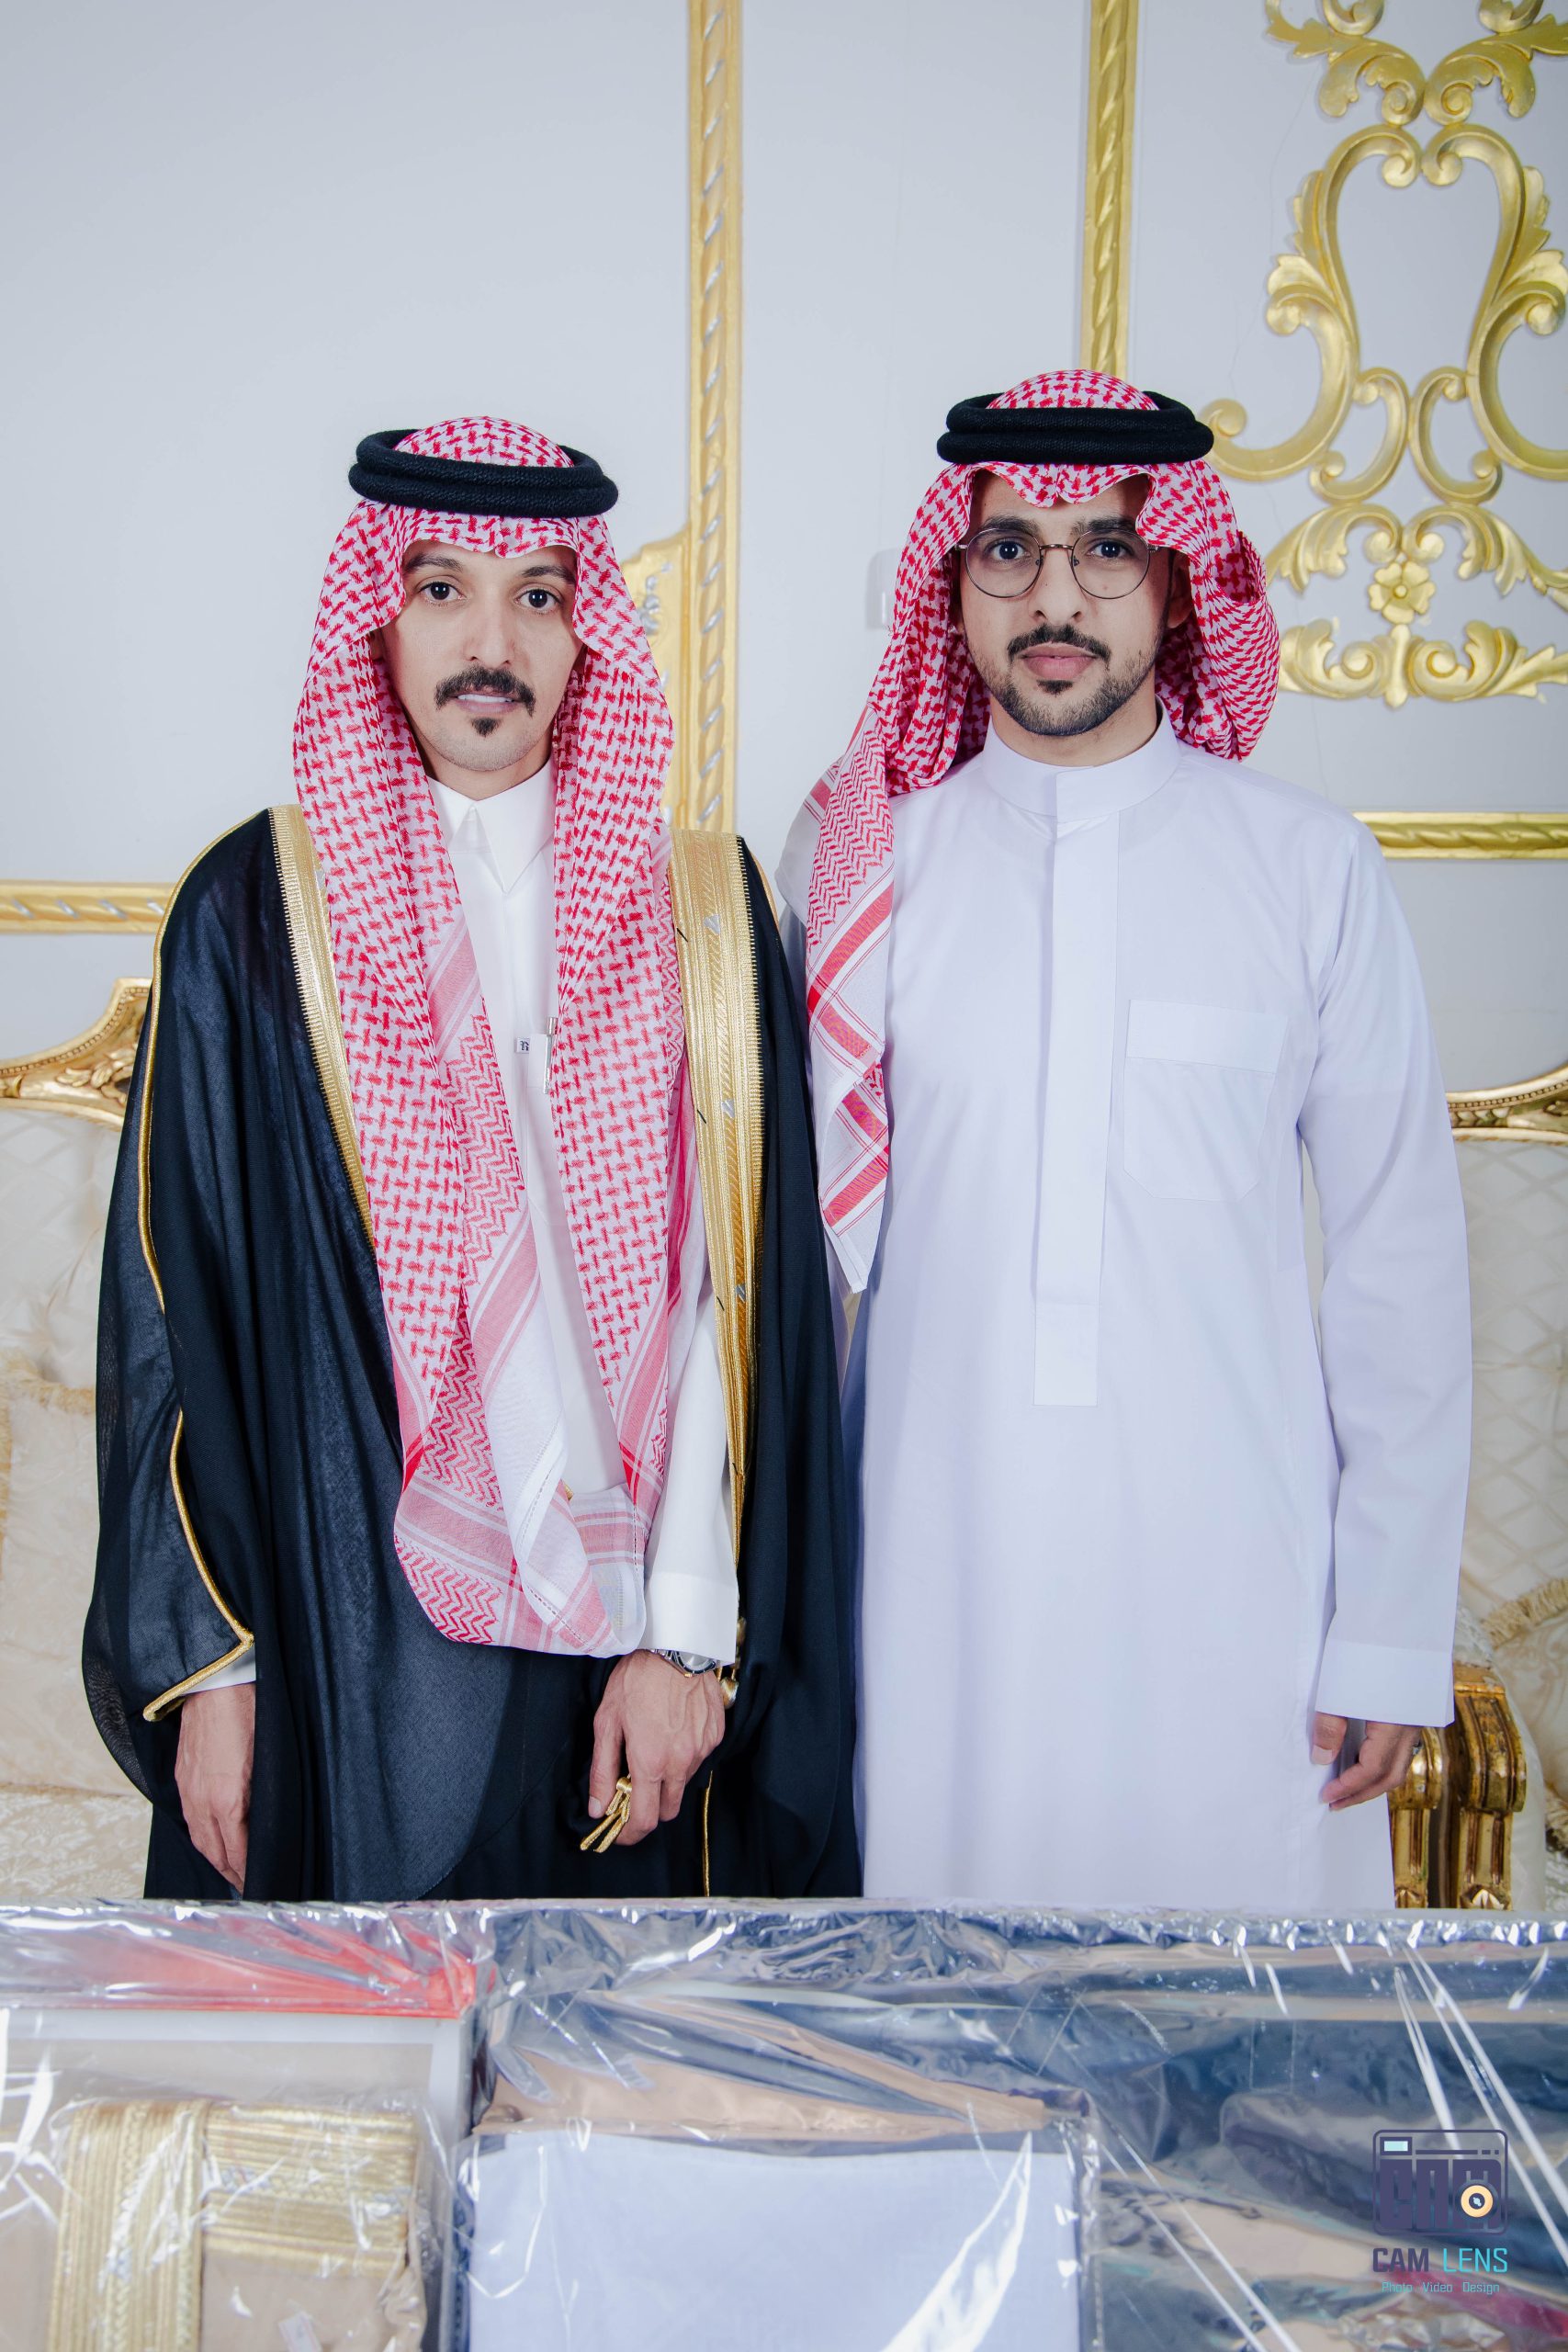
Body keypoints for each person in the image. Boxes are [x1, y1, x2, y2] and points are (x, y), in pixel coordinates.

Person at [87, 417, 855, 1903]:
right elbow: (174, 1314)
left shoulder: (701, 914)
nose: (490, 644)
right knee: (362, 2037)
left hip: (628, 1643)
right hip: (346, 1629)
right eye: (442, 589)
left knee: (615, 2036)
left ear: (586, 631)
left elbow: (739, 1308)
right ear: (379, 615)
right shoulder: (255, 916)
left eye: (538, 596)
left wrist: (687, 1638)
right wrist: (216, 1670)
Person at [777, 370, 1471, 1912]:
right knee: (939, 2013)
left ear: (1178, 582)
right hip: (932, 1581)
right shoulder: (861, 871)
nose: (1056, 599)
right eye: (1008, 549)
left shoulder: (1307, 867)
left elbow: (1400, 1266)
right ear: (951, 584)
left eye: (1107, 549)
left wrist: (1389, 1630)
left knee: (1230, 2027)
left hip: (1239, 1597)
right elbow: (782, 1274)